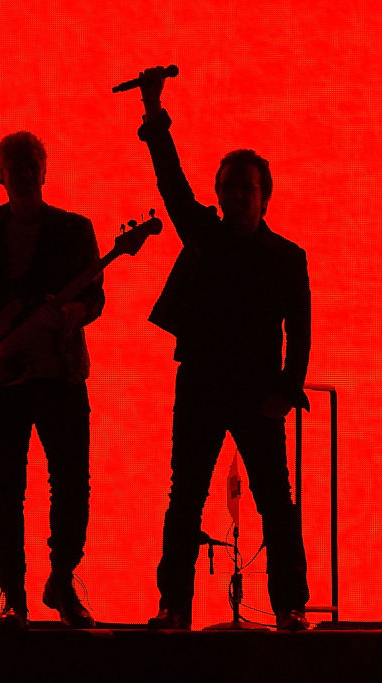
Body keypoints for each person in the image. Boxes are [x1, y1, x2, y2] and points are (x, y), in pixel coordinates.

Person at [133, 67, 311, 631]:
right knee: (186, 496)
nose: (235, 196)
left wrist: (286, 390)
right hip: (204, 384)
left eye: (245, 188)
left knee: (274, 500)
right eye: (228, 187)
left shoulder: (287, 258)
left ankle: (290, 606)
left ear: (264, 197)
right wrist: (154, 114)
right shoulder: (206, 235)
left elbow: (301, 331)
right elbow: (171, 184)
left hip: (257, 390)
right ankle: (174, 607)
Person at [0, 131, 104, 632]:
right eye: (15, 167)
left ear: (45, 171)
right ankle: (14, 597)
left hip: (60, 373)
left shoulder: (75, 229)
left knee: (72, 485)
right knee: (5, 490)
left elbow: (95, 298)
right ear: (0, 175)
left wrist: (71, 314)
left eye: (31, 165)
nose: (24, 174)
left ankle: (62, 580)